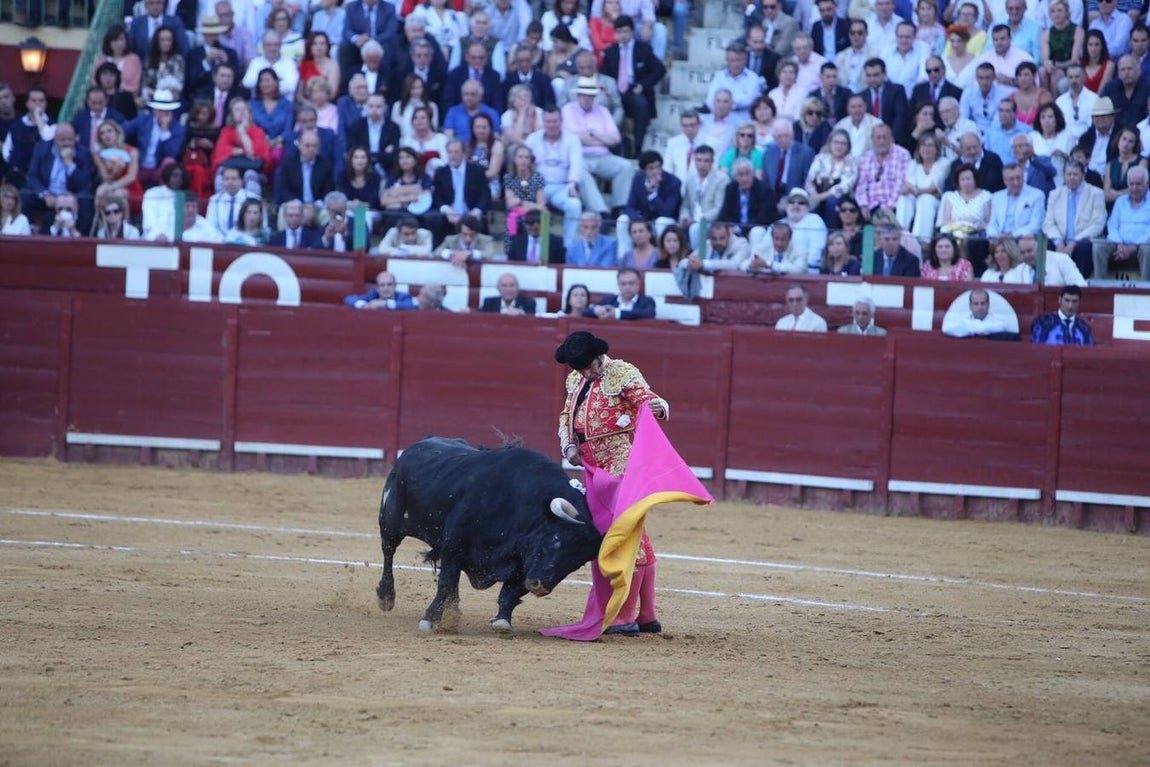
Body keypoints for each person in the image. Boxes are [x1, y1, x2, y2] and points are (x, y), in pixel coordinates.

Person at [555, 330, 669, 635]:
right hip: (592, 466)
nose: (585, 373)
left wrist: (659, 407)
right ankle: (646, 616)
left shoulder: (622, 372)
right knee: (628, 533)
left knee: (624, 533)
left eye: (588, 367)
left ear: (598, 356)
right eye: (579, 369)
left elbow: (649, 400)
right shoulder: (576, 379)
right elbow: (568, 414)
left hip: (621, 463)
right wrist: (568, 445)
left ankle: (624, 616)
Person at [1043, 159, 1106, 277]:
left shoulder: (1096, 193)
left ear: (1083, 175)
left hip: (1083, 240)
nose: (1071, 178)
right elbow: (1048, 223)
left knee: (1084, 247)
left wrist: (1074, 242)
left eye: (1075, 174)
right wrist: (1059, 242)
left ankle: (1080, 284)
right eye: (1069, 174)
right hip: (1061, 240)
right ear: (1064, 176)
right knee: (1045, 244)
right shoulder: (1055, 194)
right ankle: (1050, 282)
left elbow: (1098, 223)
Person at [1092, 165, 1150, 280]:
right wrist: (1119, 245)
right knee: (1098, 247)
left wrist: (1133, 246)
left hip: (1142, 246)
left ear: (1147, 183)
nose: (1134, 188)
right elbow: (1112, 225)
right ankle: (1100, 286)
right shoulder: (1120, 201)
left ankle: (1145, 291)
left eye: (1138, 184)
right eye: (1131, 184)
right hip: (1119, 245)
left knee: (1148, 249)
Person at [898, 133, 950, 243]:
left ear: (937, 149)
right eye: (923, 145)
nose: (926, 148)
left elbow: (934, 188)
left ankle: (921, 240)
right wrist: (914, 191)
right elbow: (907, 185)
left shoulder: (943, 163)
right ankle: (901, 233)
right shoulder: (913, 163)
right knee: (904, 198)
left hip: (935, 201)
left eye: (930, 145)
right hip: (916, 197)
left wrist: (916, 190)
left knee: (925, 199)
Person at [986, 163, 1045, 239]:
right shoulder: (997, 197)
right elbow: (993, 223)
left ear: (1023, 177)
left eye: (1018, 178)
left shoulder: (1037, 195)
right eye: (1011, 179)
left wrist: (1012, 235)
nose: (1016, 182)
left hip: (1022, 239)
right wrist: (993, 236)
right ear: (1005, 181)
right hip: (999, 240)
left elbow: (1036, 226)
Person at [942, 287, 1019, 338]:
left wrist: (971, 329)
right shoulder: (964, 321)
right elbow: (946, 328)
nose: (979, 307)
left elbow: (1002, 327)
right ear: (970, 306)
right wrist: (979, 328)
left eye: (983, 303)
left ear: (988, 305)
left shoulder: (998, 322)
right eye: (976, 304)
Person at [585, 267, 656, 320]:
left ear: (638, 284)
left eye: (631, 283)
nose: (627, 287)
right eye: (623, 284)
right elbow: (586, 312)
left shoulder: (647, 301)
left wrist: (617, 313)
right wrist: (596, 310)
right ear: (618, 285)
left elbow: (650, 314)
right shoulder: (609, 300)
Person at [1018, 234, 1087, 286]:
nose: (1026, 255)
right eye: (1022, 252)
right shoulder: (1020, 269)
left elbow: (1080, 286)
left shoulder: (1061, 260)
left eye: (1029, 251)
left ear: (1040, 248)